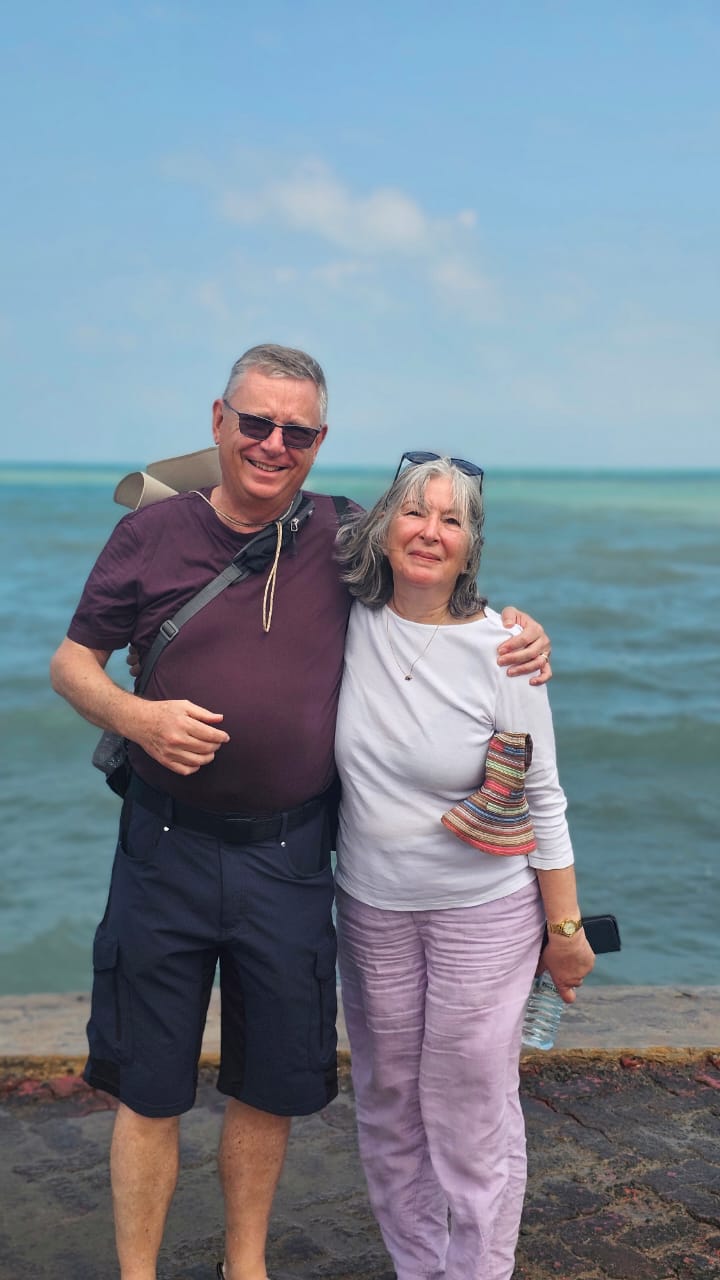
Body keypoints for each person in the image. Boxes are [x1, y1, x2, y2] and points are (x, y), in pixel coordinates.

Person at [50, 344, 553, 1280]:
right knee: (148, 1088)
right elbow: (72, 662)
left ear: (320, 441)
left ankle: (247, 1269)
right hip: (164, 848)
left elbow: (431, 574)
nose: (274, 444)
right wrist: (136, 716)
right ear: (218, 422)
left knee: (268, 1086)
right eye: (256, 423)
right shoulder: (148, 539)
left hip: (290, 859)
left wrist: (515, 630)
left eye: (298, 431)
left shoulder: (345, 533)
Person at [333, 453, 595, 1280]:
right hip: (371, 908)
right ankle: (419, 1265)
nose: (430, 532)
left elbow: (544, 798)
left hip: (483, 915)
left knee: (469, 1108)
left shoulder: (506, 650)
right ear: (383, 525)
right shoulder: (342, 618)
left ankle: (479, 1269)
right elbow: (241, 495)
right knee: (385, 1101)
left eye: (451, 520)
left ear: (469, 546)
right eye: (415, 512)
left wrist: (566, 931)